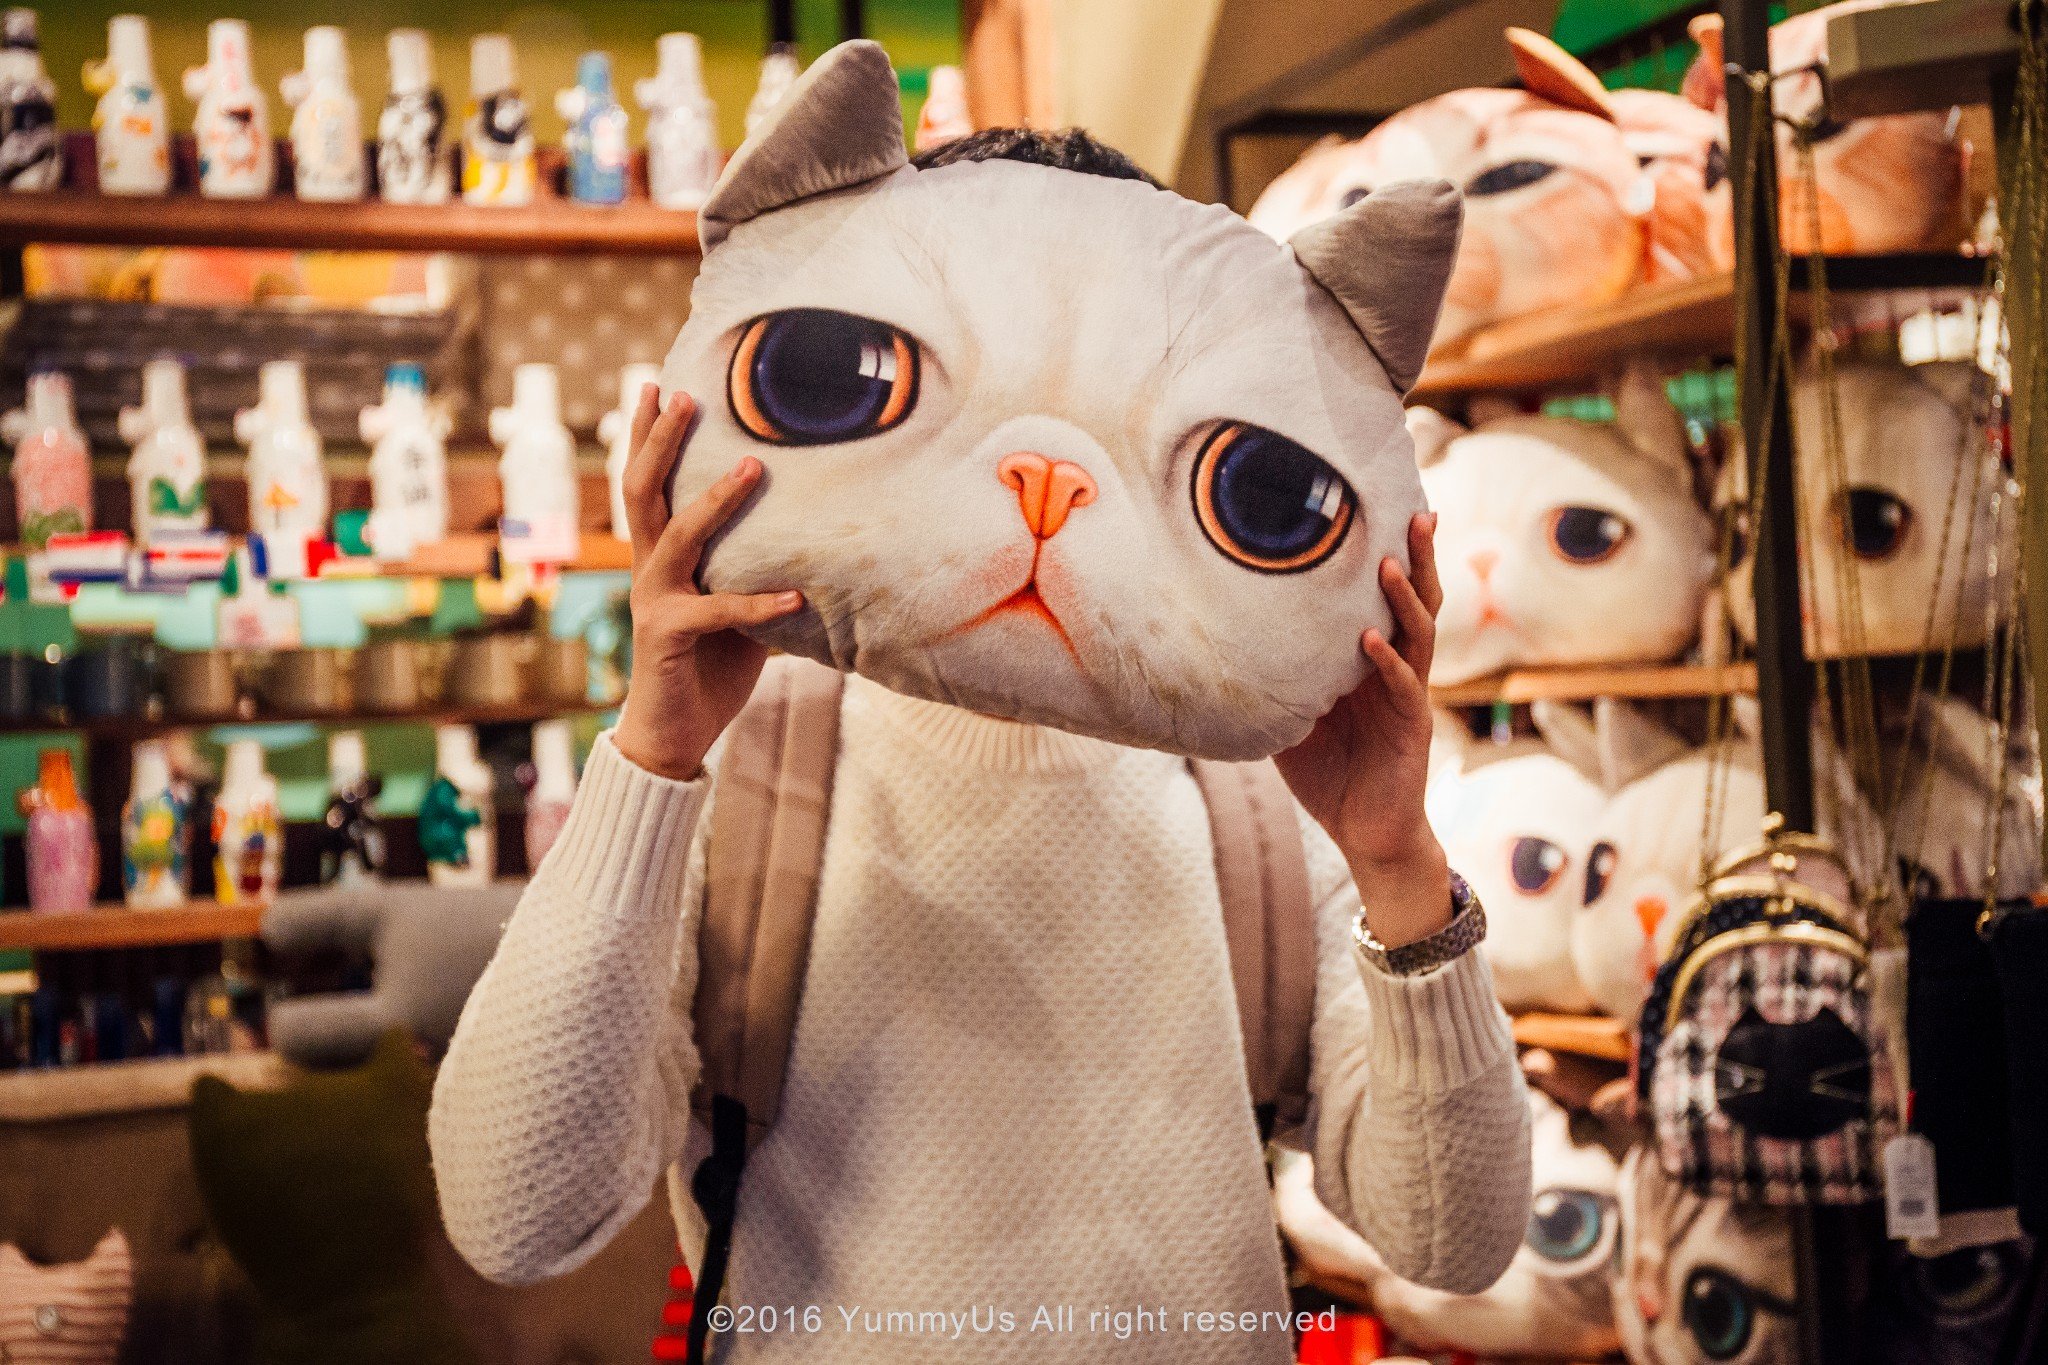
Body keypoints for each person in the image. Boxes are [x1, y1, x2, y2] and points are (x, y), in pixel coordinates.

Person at [429, 127, 1530, 1363]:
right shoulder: (743, 779)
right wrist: (650, 759)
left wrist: (1394, 861)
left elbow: (1455, 1243)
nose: (1043, 483)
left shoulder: (1260, 805)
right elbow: (517, 1216)